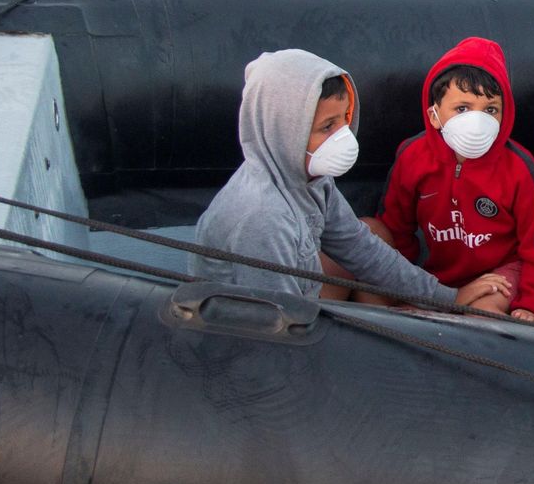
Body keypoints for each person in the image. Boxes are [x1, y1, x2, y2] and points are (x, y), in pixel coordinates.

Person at [192, 49, 457, 309]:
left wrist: (447, 299)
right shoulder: (262, 217)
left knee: (372, 233)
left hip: (299, 294)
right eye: (327, 126)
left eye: (345, 118)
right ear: (284, 131)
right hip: (258, 329)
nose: (344, 136)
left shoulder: (312, 179)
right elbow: (278, 326)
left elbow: (360, 248)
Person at [364, 37, 534, 322]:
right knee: (371, 260)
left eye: (491, 109)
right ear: (433, 115)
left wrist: (532, 305)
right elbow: (395, 228)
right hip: (434, 276)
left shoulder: (518, 166)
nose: (477, 121)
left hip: (499, 273)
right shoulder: (413, 156)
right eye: (463, 108)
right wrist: (404, 288)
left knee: (485, 313)